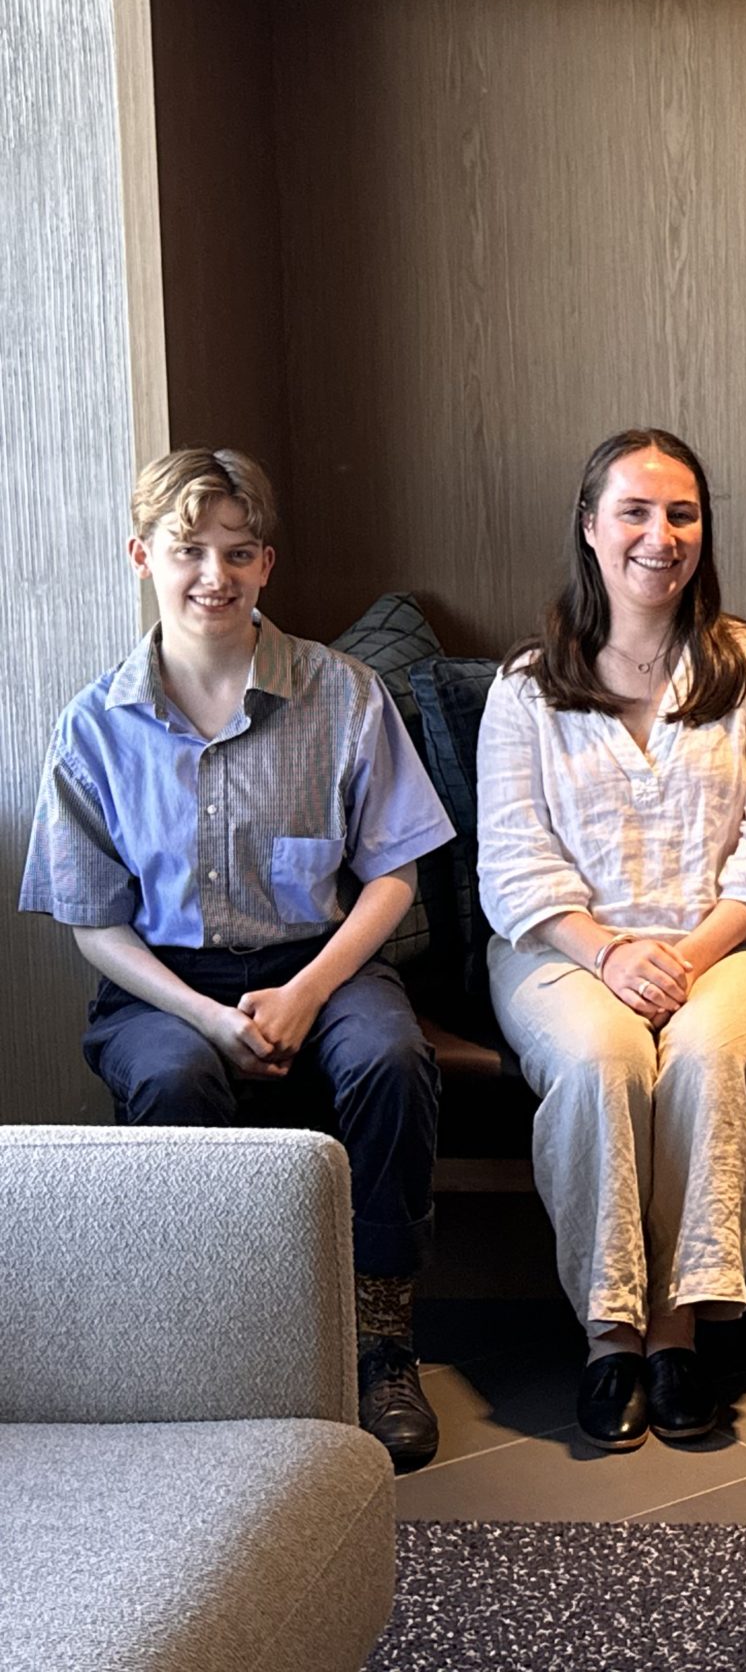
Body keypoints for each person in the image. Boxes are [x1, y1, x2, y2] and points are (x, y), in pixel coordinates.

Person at [22, 447, 454, 1468]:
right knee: (170, 1076)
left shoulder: (343, 697)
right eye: (187, 550)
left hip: (326, 963)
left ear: (267, 563)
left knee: (392, 1060)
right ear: (142, 556)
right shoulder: (94, 726)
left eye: (236, 552)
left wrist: (306, 993)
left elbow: (393, 879)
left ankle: (382, 1343)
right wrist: (211, 1020)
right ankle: (221, 1360)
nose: (211, 575)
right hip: (160, 985)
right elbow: (96, 923)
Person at [477, 428, 746, 1452]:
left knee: (709, 1053)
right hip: (559, 950)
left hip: (737, 943)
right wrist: (611, 954)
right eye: (633, 511)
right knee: (602, 1056)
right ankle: (609, 1336)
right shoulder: (526, 685)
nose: (658, 536)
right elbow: (514, 865)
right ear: (589, 528)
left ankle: (676, 1335)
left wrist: (687, 956)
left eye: (681, 514)